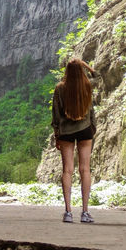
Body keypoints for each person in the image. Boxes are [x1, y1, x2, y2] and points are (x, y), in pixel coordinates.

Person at [52, 58, 97, 224]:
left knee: (67, 171)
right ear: (81, 71)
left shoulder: (60, 88)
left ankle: (68, 212)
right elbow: (97, 75)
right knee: (85, 169)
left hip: (66, 132)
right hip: (85, 130)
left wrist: (57, 135)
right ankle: (85, 212)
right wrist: (84, 64)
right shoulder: (87, 85)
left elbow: (56, 115)